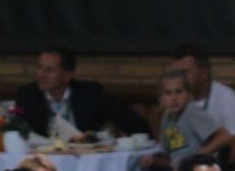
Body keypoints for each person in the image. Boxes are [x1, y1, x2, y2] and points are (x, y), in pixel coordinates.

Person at [170, 42, 235, 171]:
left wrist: (195, 166)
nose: (179, 78)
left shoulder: (226, 98)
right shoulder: (176, 103)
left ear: (204, 73)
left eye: (185, 72)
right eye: (175, 73)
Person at [13, 47, 150, 139]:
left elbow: (134, 122)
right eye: (39, 68)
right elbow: (16, 133)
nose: (41, 75)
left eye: (49, 70)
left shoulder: (90, 94)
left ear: (67, 75)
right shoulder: (27, 96)